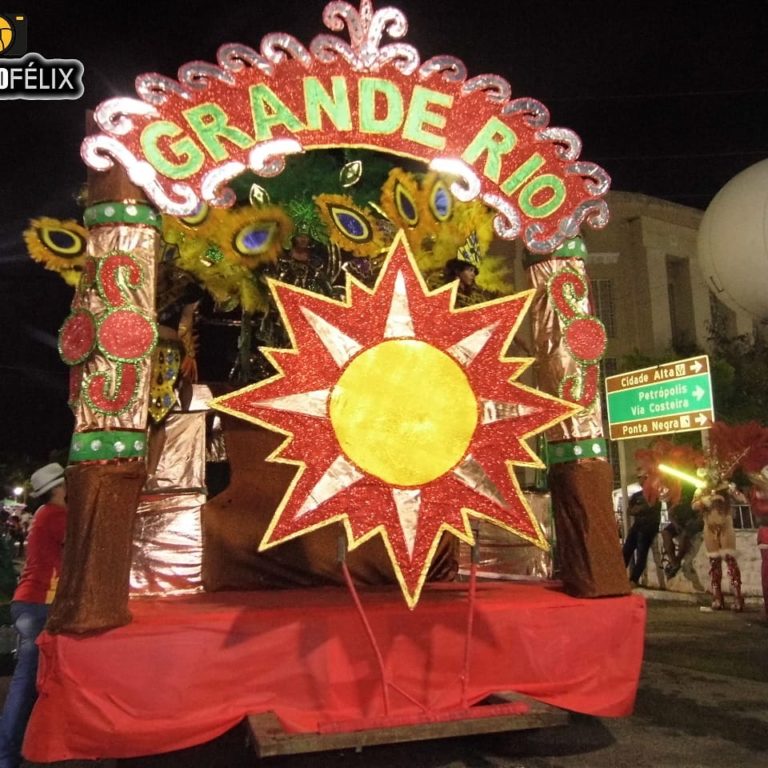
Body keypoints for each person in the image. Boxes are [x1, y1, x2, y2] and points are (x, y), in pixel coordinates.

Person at [0, 463, 68, 768]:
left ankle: (20, 748)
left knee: (32, 679)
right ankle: (7, 754)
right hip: (40, 603)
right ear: (58, 489)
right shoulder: (57, 515)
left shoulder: (44, 515)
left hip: (29, 602)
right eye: (67, 483)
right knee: (26, 680)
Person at [622, 487, 661, 588]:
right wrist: (641, 508)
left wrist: (640, 508)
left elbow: (649, 507)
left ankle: (633, 580)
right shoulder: (637, 495)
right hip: (637, 525)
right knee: (626, 551)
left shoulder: (654, 494)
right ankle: (619, 577)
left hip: (648, 527)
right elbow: (630, 510)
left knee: (641, 554)